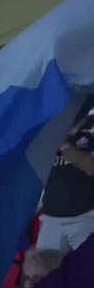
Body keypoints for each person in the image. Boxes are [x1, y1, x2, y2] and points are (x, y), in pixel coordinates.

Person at [37, 105, 94, 252]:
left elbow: (91, 167)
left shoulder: (90, 126)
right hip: (51, 219)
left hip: (85, 218)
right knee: (45, 271)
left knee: (86, 271)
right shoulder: (50, 126)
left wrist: (64, 145)